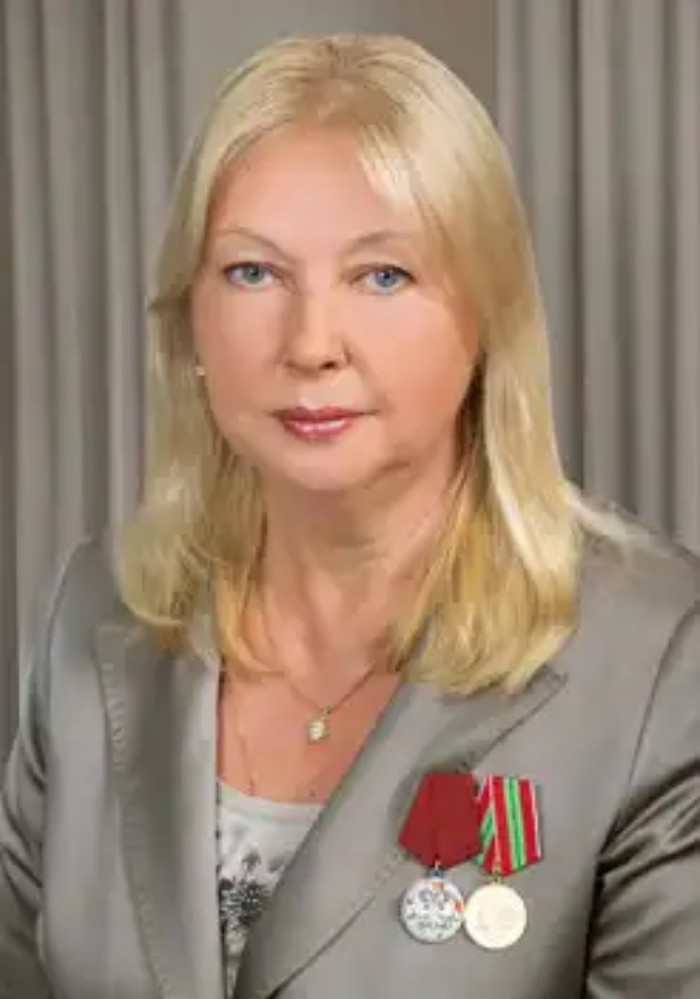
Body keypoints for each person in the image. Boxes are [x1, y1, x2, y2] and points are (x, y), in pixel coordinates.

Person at [1, 32, 699, 999]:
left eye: (383, 276)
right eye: (254, 272)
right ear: (190, 319)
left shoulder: (661, 657)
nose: (311, 343)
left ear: (487, 319)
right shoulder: (94, 607)